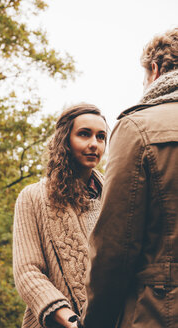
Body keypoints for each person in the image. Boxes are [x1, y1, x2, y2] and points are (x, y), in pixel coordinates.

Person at [81, 27, 178, 328]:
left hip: (158, 311)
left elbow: (115, 248)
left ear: (155, 69)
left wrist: (95, 320)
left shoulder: (138, 126)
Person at [13, 104, 108, 328]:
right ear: (65, 139)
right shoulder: (32, 197)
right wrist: (67, 318)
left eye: (101, 136)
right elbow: (28, 271)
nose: (94, 144)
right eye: (84, 134)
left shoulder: (116, 196)